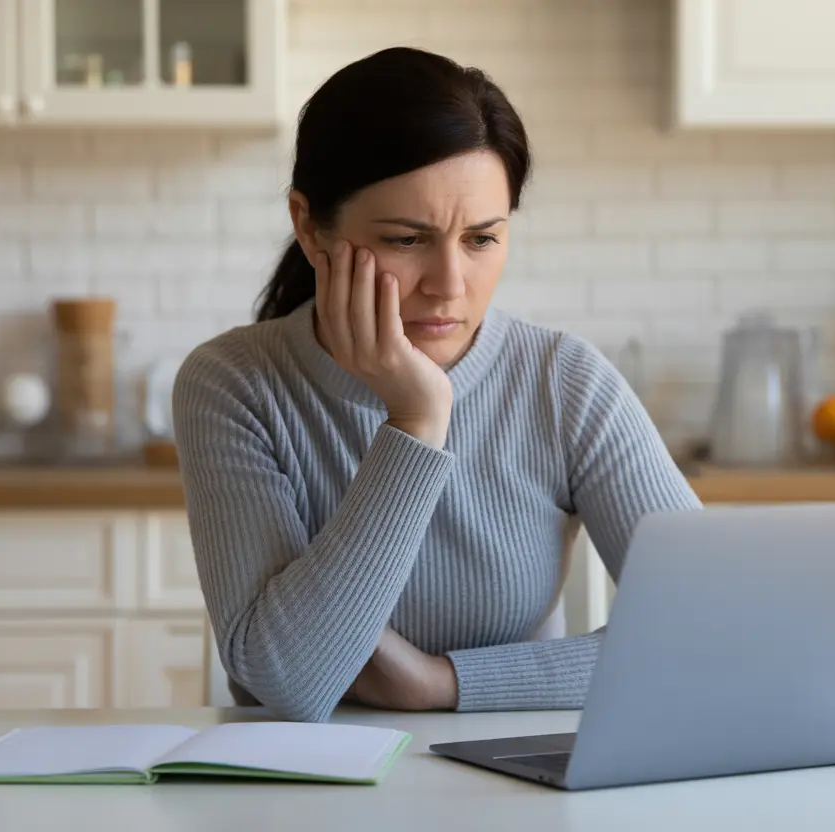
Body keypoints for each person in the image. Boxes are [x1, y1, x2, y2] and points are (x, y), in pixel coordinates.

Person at [172, 46, 702, 724]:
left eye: (481, 240)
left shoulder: (564, 381)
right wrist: (416, 420)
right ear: (308, 226)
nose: (449, 286)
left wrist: (440, 683)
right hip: (308, 778)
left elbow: (709, 631)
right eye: (406, 240)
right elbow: (289, 683)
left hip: (509, 768)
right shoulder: (235, 384)